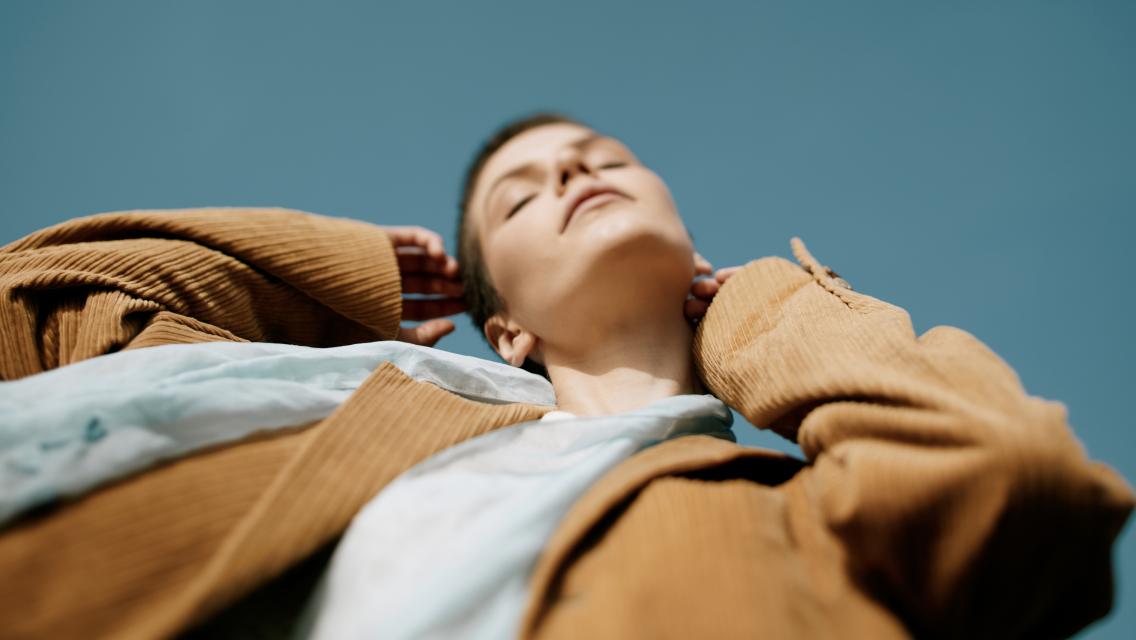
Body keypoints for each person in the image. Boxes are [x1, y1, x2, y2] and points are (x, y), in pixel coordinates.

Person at [0, 114, 1132, 640]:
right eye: (519, 190)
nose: (573, 171)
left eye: (603, 158)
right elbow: (33, 305)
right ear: (505, 331)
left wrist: (767, 312)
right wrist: (347, 275)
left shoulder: (808, 517)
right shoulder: (334, 408)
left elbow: (1016, 482)